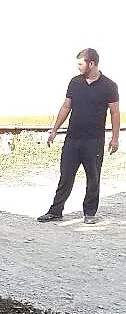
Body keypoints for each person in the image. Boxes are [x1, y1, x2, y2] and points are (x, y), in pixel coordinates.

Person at [38, 48, 119, 225]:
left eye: (81, 64)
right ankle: (55, 211)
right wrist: (54, 130)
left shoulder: (109, 86)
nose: (78, 67)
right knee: (65, 175)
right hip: (72, 138)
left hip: (94, 140)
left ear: (92, 63)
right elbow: (66, 107)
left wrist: (115, 137)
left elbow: (114, 112)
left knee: (93, 177)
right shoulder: (75, 83)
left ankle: (89, 213)